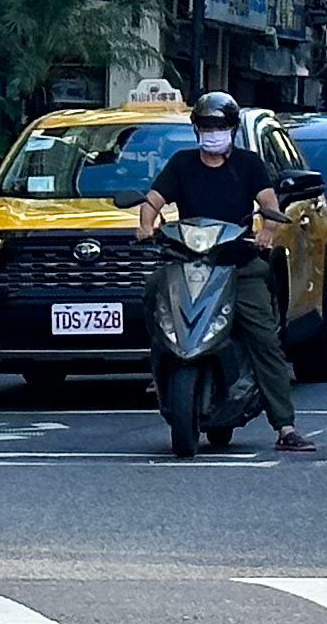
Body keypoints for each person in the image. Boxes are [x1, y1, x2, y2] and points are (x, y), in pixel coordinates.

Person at [133, 91, 313, 457]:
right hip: (188, 263)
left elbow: (268, 202)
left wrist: (265, 232)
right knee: (153, 293)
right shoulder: (182, 164)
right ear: (196, 129)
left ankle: (285, 425)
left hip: (238, 265)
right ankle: (161, 370)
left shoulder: (248, 164)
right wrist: (147, 225)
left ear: (231, 129)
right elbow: (152, 200)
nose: (212, 133)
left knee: (264, 336)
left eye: (219, 127)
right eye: (206, 126)